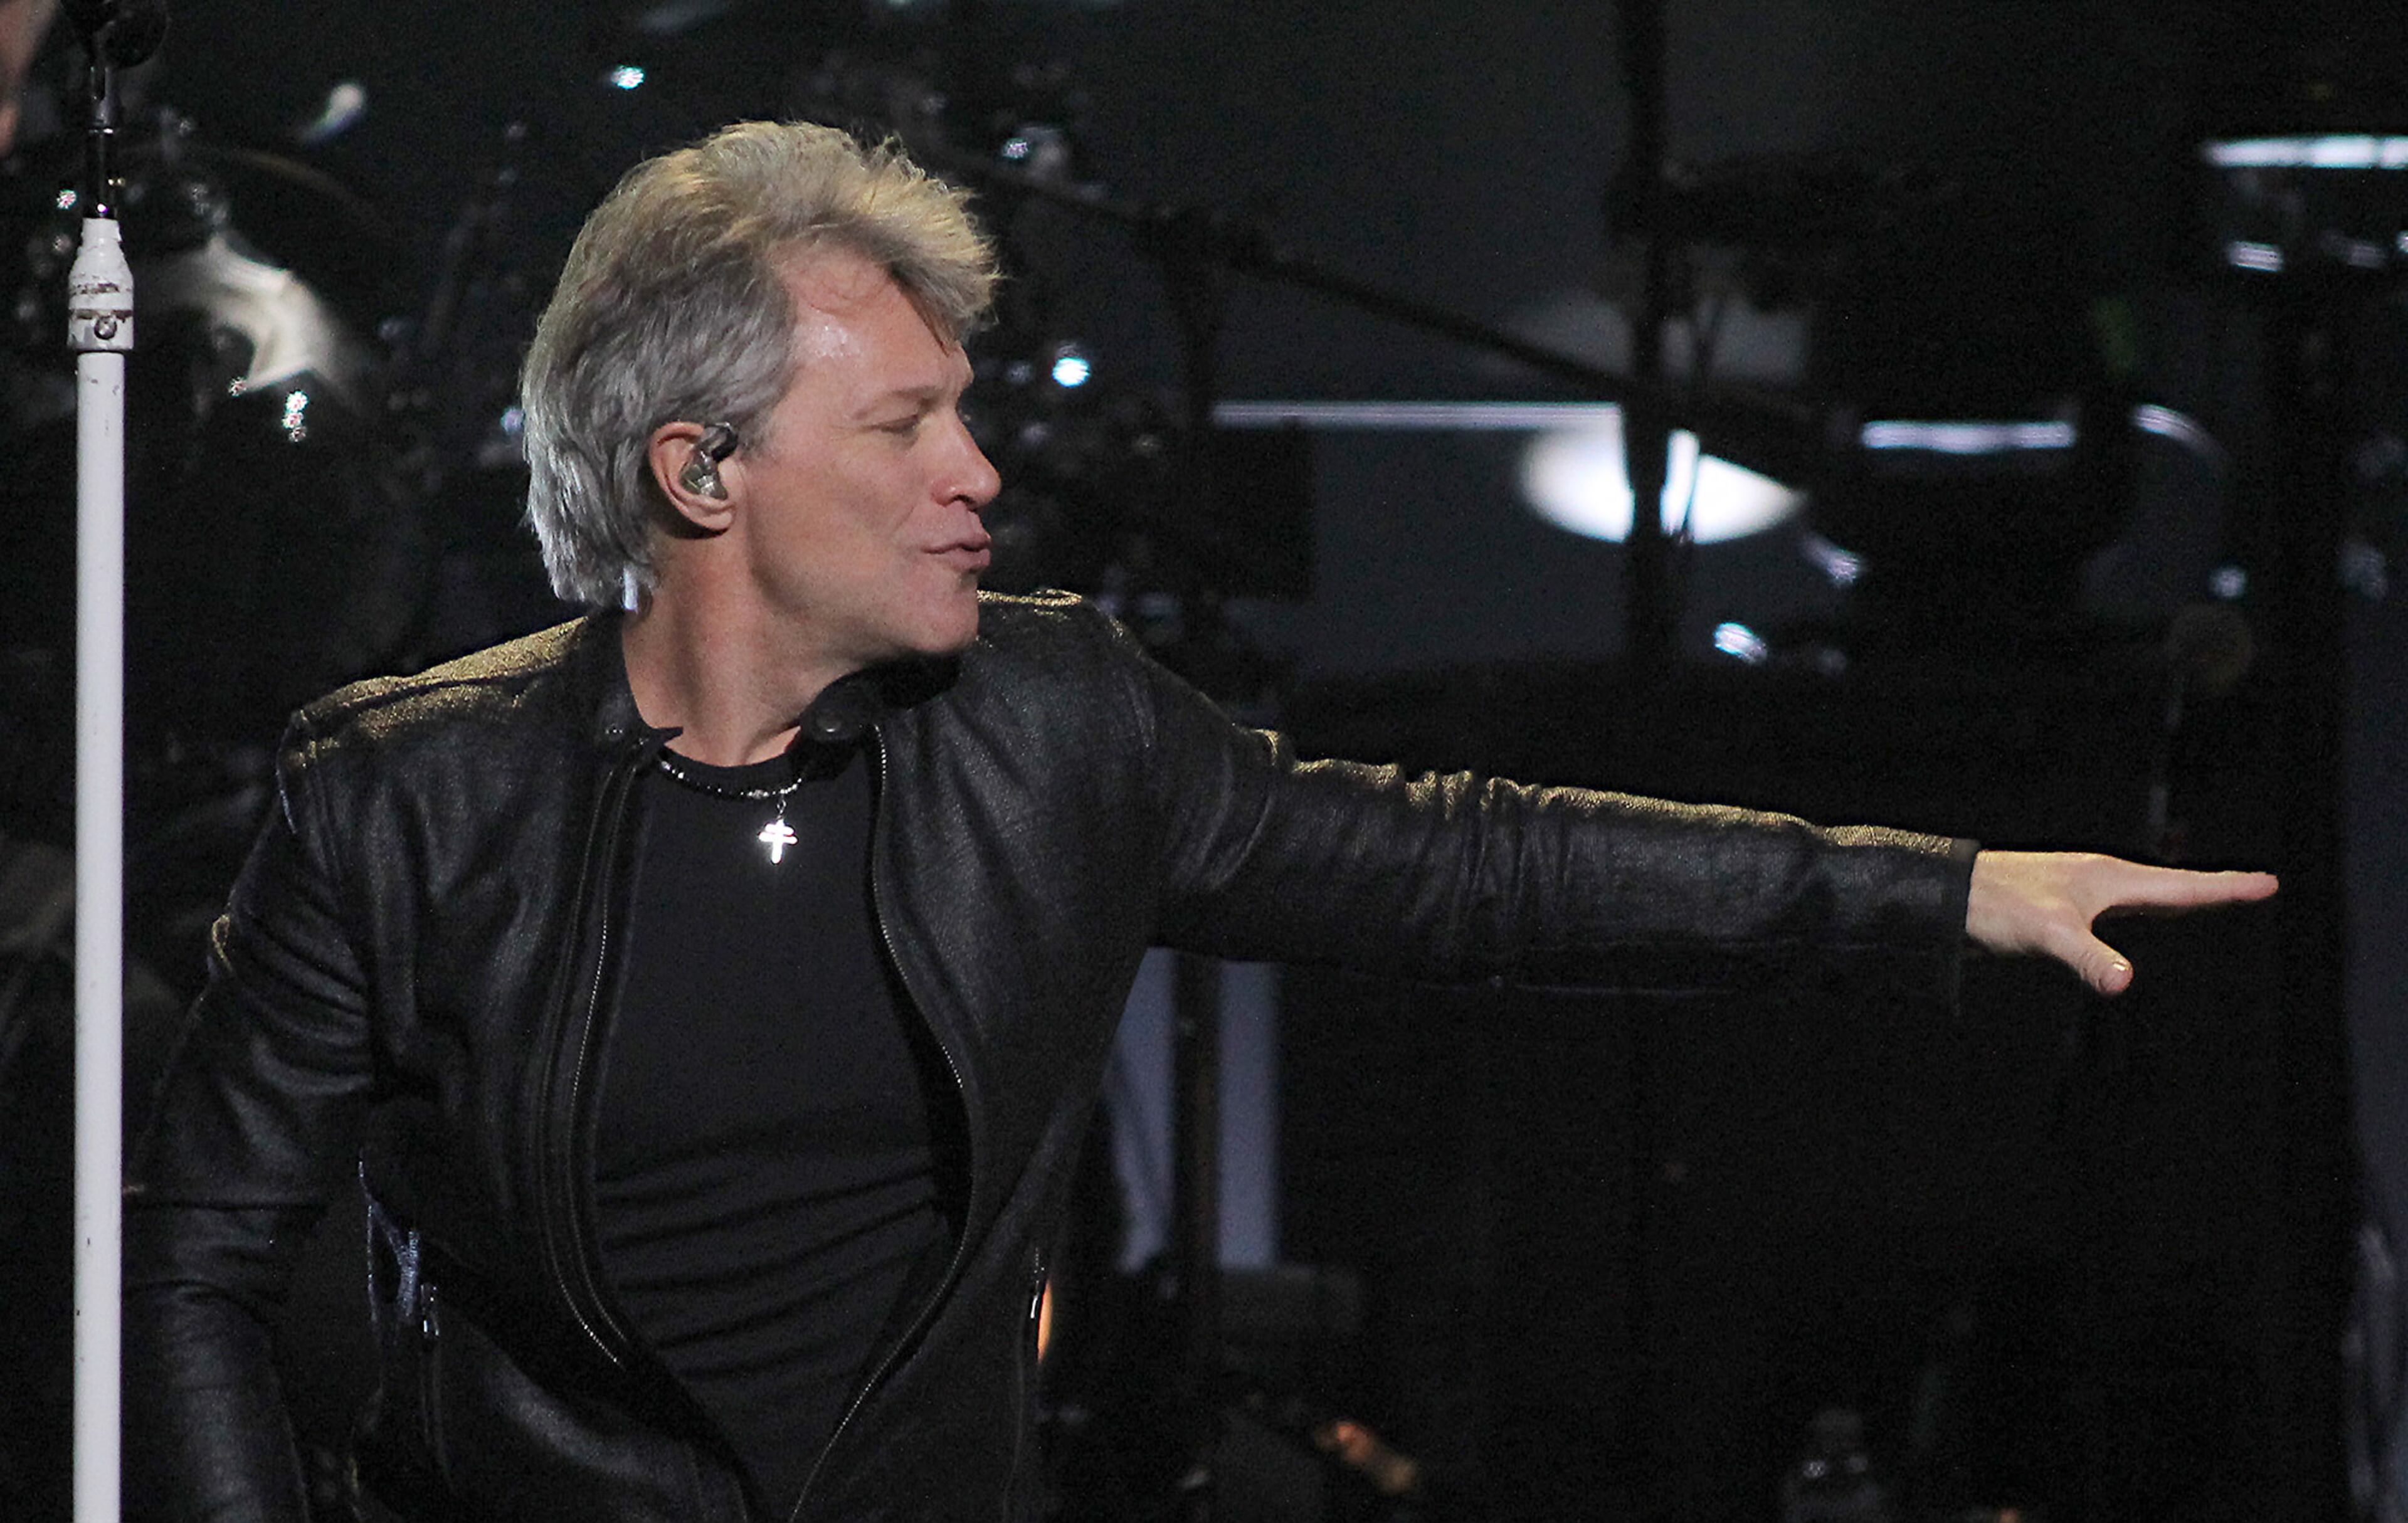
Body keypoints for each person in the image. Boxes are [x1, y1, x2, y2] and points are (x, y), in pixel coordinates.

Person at [122, 120, 2276, 1523]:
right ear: (702, 474)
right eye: (907, 423)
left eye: (966, 411)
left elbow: (1474, 863)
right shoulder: (407, 795)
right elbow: (197, 1260)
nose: (979, 472)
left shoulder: (1054, 729)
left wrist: (1932, 891)